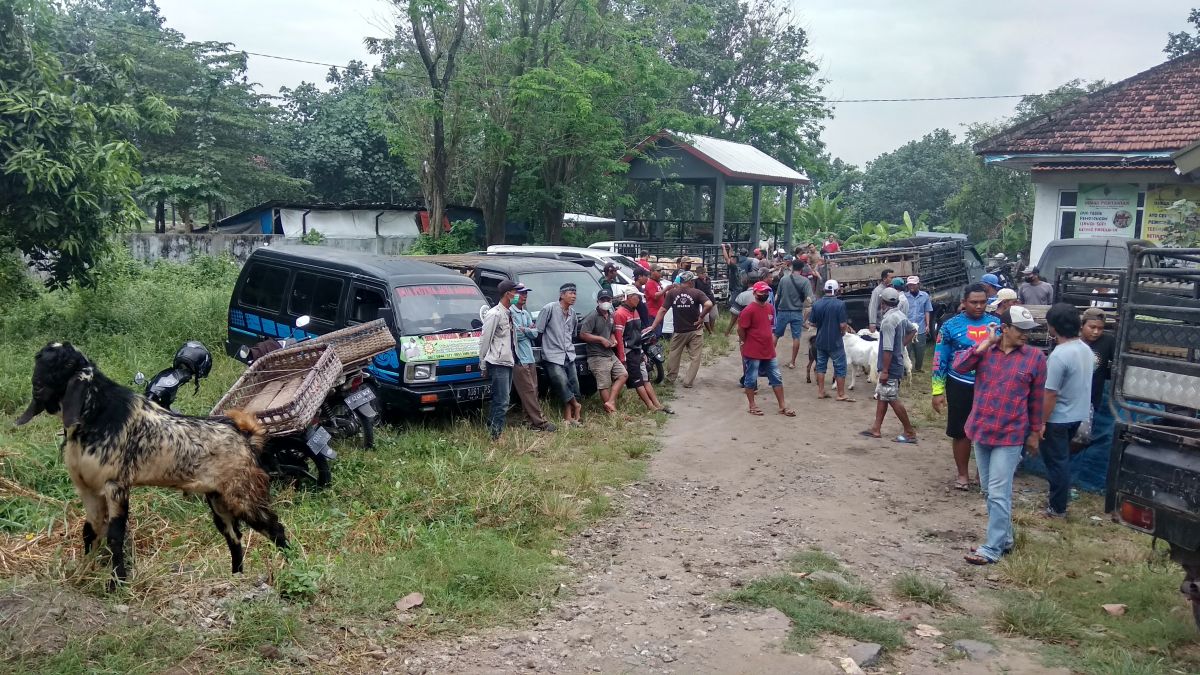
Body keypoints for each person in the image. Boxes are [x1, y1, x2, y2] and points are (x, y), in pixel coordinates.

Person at [955, 306, 1046, 565]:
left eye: (1029, 331)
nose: (1026, 335)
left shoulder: (1035, 358)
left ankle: (992, 548)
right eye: (1021, 330)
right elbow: (960, 366)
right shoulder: (986, 353)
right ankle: (1005, 539)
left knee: (997, 492)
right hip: (982, 429)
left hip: (1011, 433)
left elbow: (1037, 400)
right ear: (1004, 328)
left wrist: (1035, 432)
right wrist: (984, 344)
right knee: (988, 490)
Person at [932, 284, 996, 491]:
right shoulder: (949, 326)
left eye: (983, 302)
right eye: (974, 302)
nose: (979, 306)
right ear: (964, 303)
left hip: (989, 386)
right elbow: (940, 358)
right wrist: (937, 390)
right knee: (961, 431)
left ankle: (982, 475)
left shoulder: (996, 325)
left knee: (987, 431)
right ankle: (962, 475)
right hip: (959, 383)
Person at [1038, 302, 1094, 518]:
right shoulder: (1085, 349)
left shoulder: (1060, 355)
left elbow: (1050, 393)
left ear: (1052, 327)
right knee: (1062, 460)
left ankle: (1057, 507)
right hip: (1077, 414)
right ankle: (1057, 501)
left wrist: (1041, 422)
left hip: (1058, 418)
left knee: (1057, 463)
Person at [862, 287, 918, 442]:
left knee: (892, 398)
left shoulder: (887, 322)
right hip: (895, 362)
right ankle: (876, 428)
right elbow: (913, 330)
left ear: (882, 302)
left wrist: (885, 370)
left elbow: (887, 348)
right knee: (882, 395)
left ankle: (909, 432)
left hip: (890, 365)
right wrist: (901, 346)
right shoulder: (900, 315)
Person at [737, 281, 794, 416]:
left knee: (776, 378)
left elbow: (770, 326)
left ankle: (782, 405)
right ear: (755, 293)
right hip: (753, 350)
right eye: (762, 291)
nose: (765, 294)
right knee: (751, 378)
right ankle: (752, 405)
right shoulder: (748, 310)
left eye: (766, 291)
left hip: (768, 349)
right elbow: (740, 329)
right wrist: (747, 341)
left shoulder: (769, 308)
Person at [613, 288, 672, 414]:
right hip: (629, 352)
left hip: (637, 350)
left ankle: (657, 405)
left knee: (646, 379)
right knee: (638, 381)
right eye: (636, 296)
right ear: (628, 297)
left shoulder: (635, 312)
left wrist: (642, 351)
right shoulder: (620, 314)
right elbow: (619, 337)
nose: (639, 299)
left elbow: (637, 333)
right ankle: (651, 407)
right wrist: (622, 358)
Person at [650, 271, 712, 388]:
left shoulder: (672, 293)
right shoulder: (697, 293)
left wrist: (653, 326)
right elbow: (708, 304)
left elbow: (663, 310)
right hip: (695, 330)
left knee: (674, 354)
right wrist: (701, 317)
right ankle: (688, 382)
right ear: (690, 282)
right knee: (695, 357)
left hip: (679, 331)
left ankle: (670, 379)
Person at [510, 285, 556, 433]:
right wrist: (528, 331)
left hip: (529, 356)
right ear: (514, 294)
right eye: (521, 293)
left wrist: (527, 330)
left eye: (525, 294)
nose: (524, 296)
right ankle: (540, 422)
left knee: (533, 390)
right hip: (518, 357)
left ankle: (528, 420)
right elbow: (516, 335)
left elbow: (536, 333)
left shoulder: (525, 312)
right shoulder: (510, 313)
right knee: (528, 390)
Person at [537, 283, 583, 426]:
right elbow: (539, 330)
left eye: (575, 293)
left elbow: (573, 333)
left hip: (568, 353)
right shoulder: (549, 309)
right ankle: (576, 405)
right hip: (552, 354)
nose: (573, 296)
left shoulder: (573, 313)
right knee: (561, 382)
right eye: (570, 293)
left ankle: (568, 417)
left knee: (573, 384)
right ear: (562, 294)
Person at [479, 280, 519, 440]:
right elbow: (485, 340)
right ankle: (495, 435)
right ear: (507, 294)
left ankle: (493, 431)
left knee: (503, 399)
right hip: (497, 362)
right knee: (502, 401)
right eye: (515, 292)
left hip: (508, 361)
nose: (517, 295)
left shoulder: (509, 313)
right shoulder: (494, 314)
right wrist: (482, 363)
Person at [580, 289, 628, 415]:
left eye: (608, 299)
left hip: (609, 353)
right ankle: (611, 412)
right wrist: (601, 339)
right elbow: (583, 334)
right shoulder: (592, 316)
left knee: (623, 375)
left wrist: (612, 340)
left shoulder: (611, 315)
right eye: (603, 300)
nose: (605, 302)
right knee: (604, 384)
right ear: (598, 301)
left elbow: (611, 331)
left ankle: (610, 402)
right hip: (596, 356)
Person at [809, 279, 853, 402]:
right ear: (836, 290)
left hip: (820, 340)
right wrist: (843, 333)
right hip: (835, 341)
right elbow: (843, 325)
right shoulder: (840, 304)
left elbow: (811, 322)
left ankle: (821, 391)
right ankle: (840, 393)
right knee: (840, 367)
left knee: (821, 366)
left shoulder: (817, 304)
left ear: (825, 290)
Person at [773, 257, 813, 370]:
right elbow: (809, 299)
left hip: (783, 312)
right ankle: (792, 362)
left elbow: (777, 297)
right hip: (796, 312)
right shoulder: (805, 281)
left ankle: (769, 359)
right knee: (796, 337)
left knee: (776, 335)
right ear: (802, 269)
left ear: (791, 267)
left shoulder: (784, 280)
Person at [905, 276, 934, 372]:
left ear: (918, 284)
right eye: (909, 285)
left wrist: (927, 325)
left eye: (913, 285)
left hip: (920, 327)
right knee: (907, 350)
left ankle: (918, 368)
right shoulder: (904, 297)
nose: (911, 287)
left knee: (920, 350)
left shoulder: (924, 296)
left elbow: (927, 311)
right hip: (908, 329)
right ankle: (907, 369)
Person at [695, 266, 717, 334]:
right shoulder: (696, 281)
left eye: (705, 272)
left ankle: (712, 330)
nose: (704, 274)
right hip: (703, 301)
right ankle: (710, 331)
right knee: (706, 317)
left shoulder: (708, 279)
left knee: (713, 315)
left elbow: (707, 288)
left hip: (711, 299)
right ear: (698, 274)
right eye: (702, 273)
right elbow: (702, 289)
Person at [644, 266, 666, 333]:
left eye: (660, 271)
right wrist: (666, 289)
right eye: (658, 271)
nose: (660, 273)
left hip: (659, 313)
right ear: (652, 272)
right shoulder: (650, 283)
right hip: (653, 313)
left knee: (658, 333)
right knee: (655, 334)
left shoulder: (657, 283)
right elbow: (655, 296)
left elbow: (663, 295)